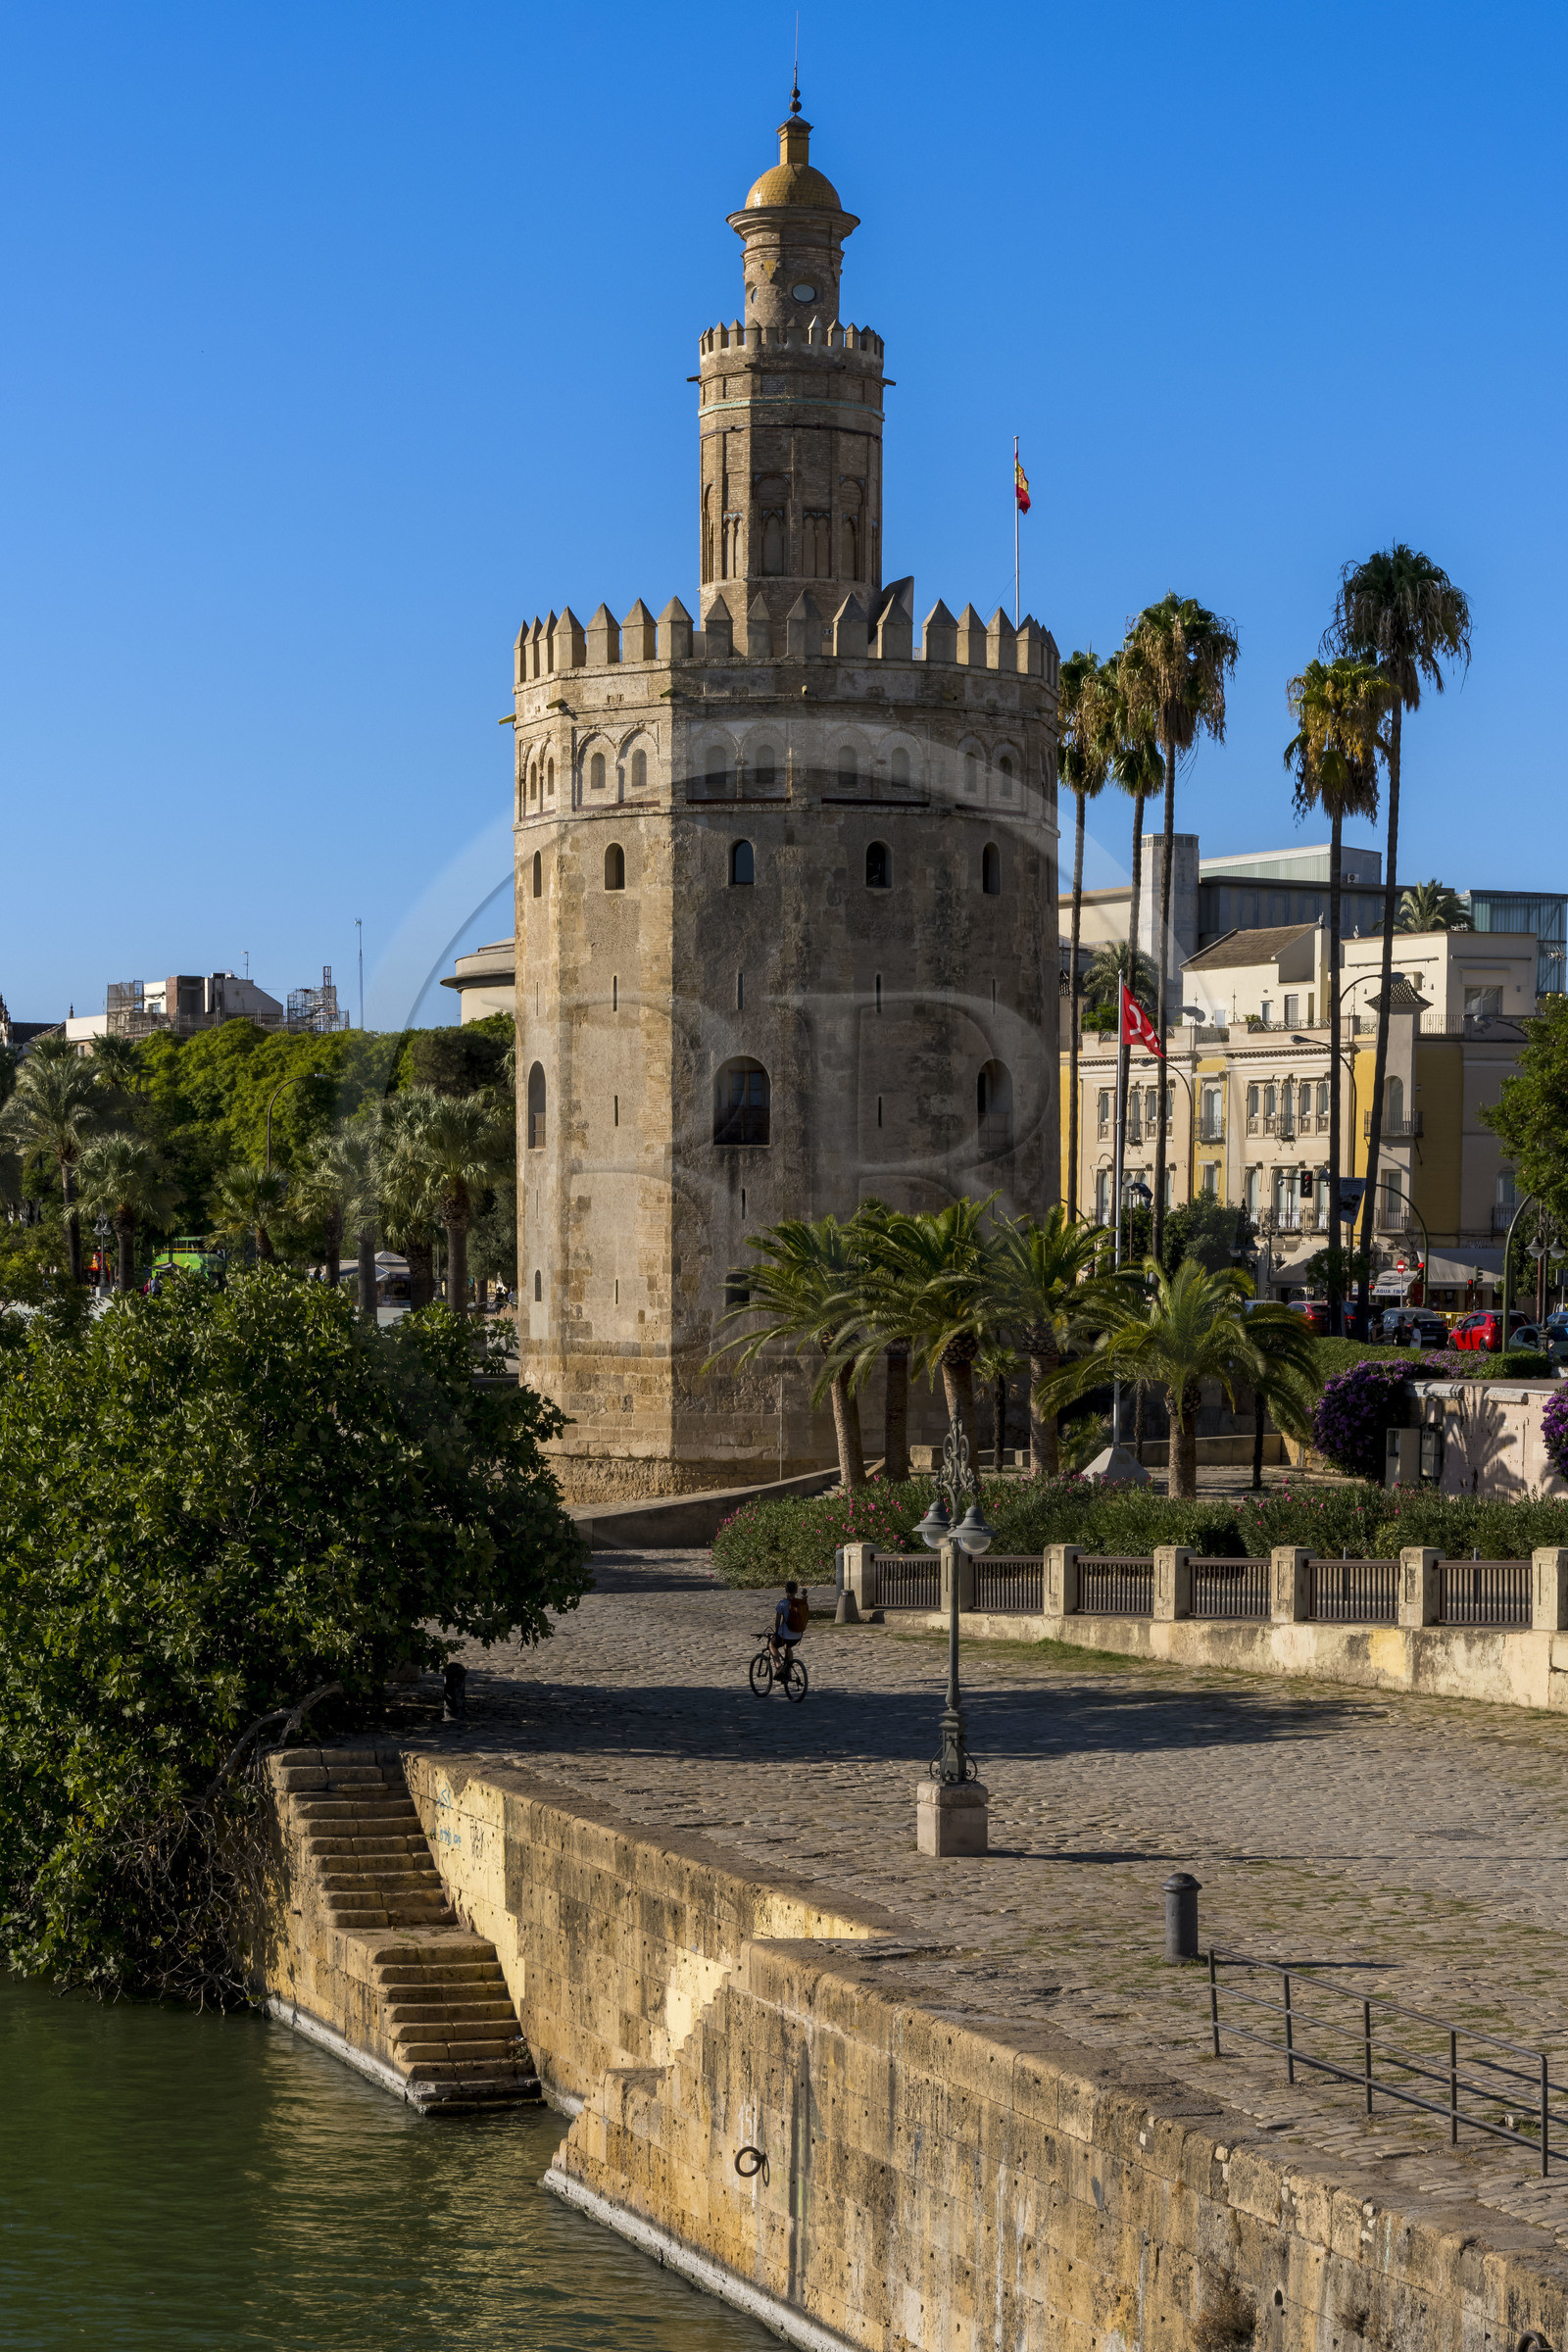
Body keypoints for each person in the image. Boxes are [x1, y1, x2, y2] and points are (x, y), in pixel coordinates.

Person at [770, 1579, 809, 1671]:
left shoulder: (782, 1603)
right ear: (796, 1591)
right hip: (798, 1635)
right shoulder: (801, 1603)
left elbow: (777, 1622)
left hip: (785, 1635)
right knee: (788, 1647)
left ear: (786, 1590)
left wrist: (776, 1632)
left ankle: (778, 1665)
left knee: (772, 1645)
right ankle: (789, 1669)